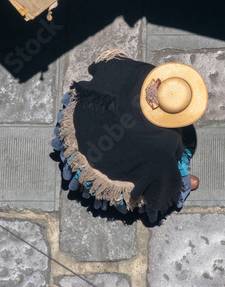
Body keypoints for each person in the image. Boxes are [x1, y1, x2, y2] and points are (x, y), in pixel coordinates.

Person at [51, 48, 208, 223]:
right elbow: (162, 178)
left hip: (87, 122)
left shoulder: (145, 73)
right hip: (103, 158)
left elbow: (105, 65)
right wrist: (170, 188)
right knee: (163, 164)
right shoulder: (164, 141)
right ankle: (181, 183)